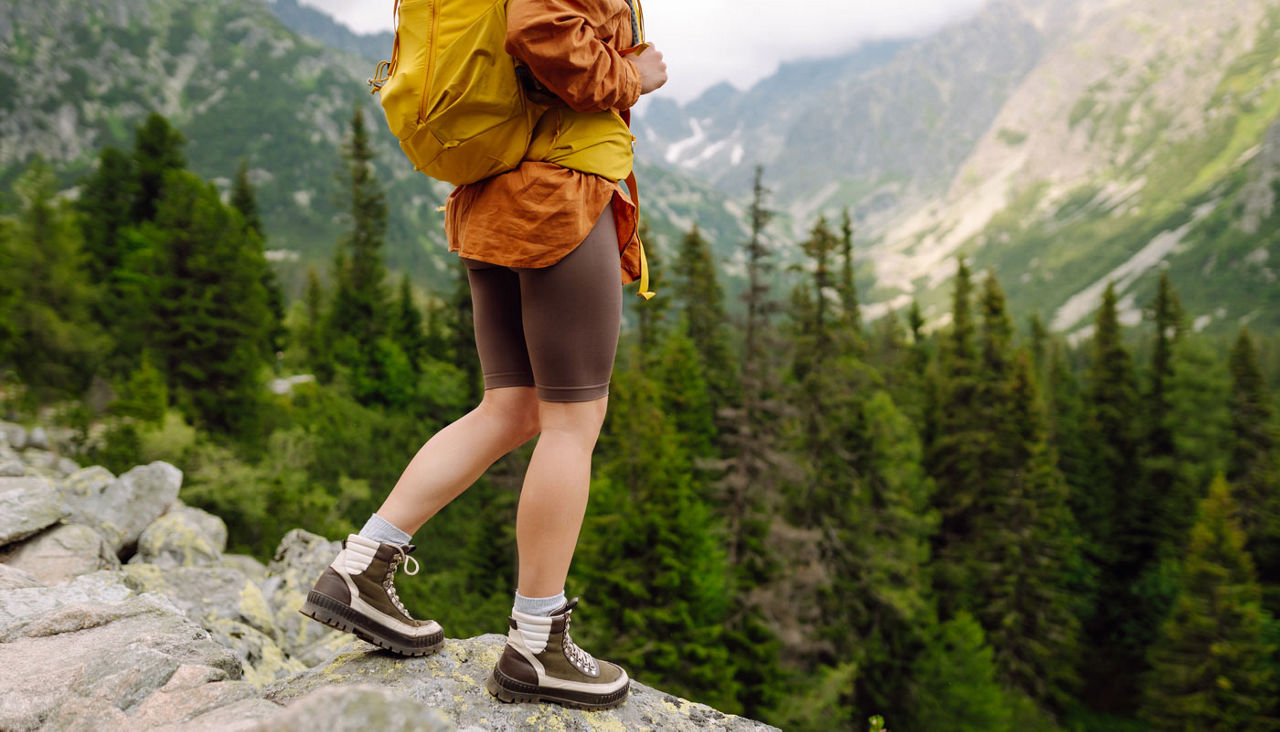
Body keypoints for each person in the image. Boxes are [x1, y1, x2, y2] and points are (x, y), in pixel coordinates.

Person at [300, 0, 668, 711]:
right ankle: (537, 642)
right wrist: (632, 76)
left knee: (511, 408)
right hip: (561, 190)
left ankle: (362, 569)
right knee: (570, 423)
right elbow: (540, 31)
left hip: (495, 191)